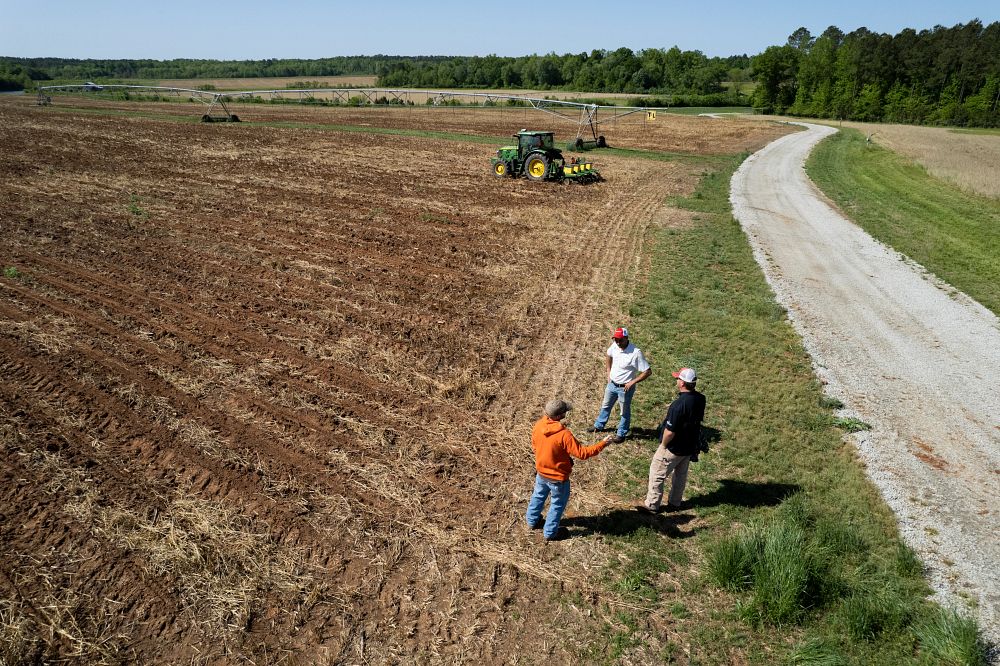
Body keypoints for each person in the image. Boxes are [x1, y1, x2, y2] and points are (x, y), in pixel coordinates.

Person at [526, 399, 613, 542]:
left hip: (541, 473)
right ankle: (550, 533)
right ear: (560, 415)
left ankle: (532, 521)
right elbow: (583, 454)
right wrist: (603, 443)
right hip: (558, 479)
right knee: (557, 505)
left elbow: (535, 447)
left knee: (538, 496)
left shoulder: (538, 425)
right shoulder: (564, 435)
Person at [640, 367, 706, 513]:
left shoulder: (678, 405)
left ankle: (652, 505)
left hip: (673, 448)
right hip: (689, 446)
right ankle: (675, 503)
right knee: (680, 477)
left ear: (682, 383)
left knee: (657, 474)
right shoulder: (701, 399)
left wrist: (663, 445)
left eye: (678, 378)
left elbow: (670, 431)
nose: (676, 380)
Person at [588, 327, 652, 442]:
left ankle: (621, 433)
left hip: (625, 388)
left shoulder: (635, 353)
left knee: (624, 412)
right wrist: (608, 371)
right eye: (616, 339)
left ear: (626, 338)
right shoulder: (615, 346)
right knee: (606, 406)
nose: (617, 342)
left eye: (620, 340)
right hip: (612, 384)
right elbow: (609, 355)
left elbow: (647, 371)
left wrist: (632, 382)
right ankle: (599, 425)